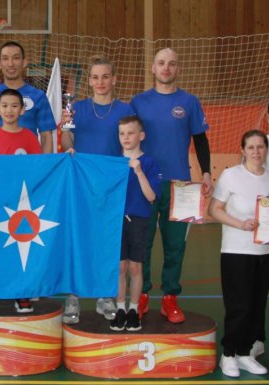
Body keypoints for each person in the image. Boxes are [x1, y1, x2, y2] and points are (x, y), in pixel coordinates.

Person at [130, 47, 212, 323]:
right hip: (144, 184)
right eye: (161, 63)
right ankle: (141, 295)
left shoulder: (189, 102)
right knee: (142, 243)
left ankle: (170, 298)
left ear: (178, 69)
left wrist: (207, 172)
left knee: (175, 245)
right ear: (153, 68)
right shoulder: (138, 102)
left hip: (180, 185)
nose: (166, 68)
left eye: (172, 64)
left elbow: (200, 139)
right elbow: (126, 138)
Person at [60, 55, 135, 323]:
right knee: (78, 240)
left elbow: (131, 145)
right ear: (89, 81)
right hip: (81, 185)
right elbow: (67, 143)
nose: (100, 82)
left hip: (112, 188)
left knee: (107, 243)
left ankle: (105, 297)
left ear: (114, 79)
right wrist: (65, 126)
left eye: (105, 76)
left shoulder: (126, 110)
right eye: (95, 77)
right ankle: (73, 298)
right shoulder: (77, 108)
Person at [209, 130, 269, 378]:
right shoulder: (231, 176)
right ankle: (228, 354)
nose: (256, 152)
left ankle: (244, 353)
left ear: (266, 150)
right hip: (237, 251)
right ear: (242, 150)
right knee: (239, 305)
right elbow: (214, 209)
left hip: (266, 251)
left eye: (260, 147)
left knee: (257, 305)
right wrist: (241, 224)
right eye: (251, 147)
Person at [0, 88, 40, 313]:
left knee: (21, 249)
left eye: (14, 106)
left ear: (22, 110)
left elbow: (38, 168)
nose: (9, 110)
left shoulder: (29, 138)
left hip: (22, 204)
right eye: (4, 106)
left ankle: (22, 294)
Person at [110, 115, 161, 332]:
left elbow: (151, 196)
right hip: (117, 221)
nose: (126, 137)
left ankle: (133, 310)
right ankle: (120, 309)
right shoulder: (113, 163)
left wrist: (138, 171)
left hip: (139, 220)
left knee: (135, 267)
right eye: (122, 133)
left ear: (141, 136)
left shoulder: (149, 163)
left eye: (131, 133)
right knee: (120, 267)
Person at [0, 40, 57, 154]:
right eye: (5, 58)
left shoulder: (38, 96)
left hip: (26, 162)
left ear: (24, 62)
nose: (10, 63)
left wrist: (45, 164)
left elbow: (46, 136)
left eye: (16, 58)